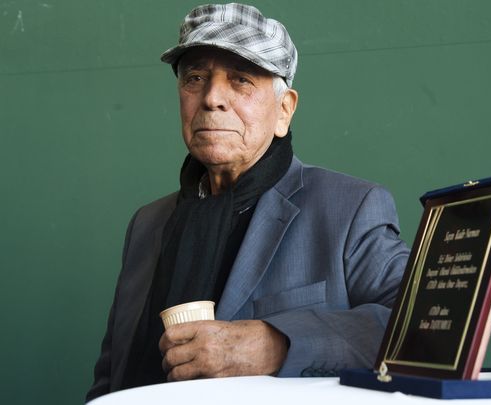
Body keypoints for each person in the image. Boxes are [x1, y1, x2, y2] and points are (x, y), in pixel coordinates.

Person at [86, 3, 409, 402]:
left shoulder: (351, 208)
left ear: (284, 111)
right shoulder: (147, 224)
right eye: (196, 78)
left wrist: (275, 344)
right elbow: (111, 375)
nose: (212, 98)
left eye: (240, 80)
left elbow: (419, 329)